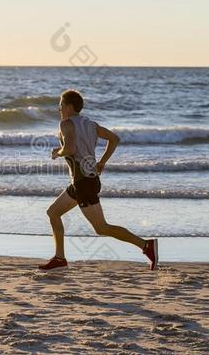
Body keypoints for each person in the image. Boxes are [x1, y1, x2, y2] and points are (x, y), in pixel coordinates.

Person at [38, 89, 158, 271]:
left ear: (69, 107)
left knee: (101, 228)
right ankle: (59, 258)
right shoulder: (90, 124)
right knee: (53, 212)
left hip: (83, 183)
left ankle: (146, 246)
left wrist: (57, 152)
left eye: (60, 105)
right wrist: (102, 162)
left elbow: (69, 149)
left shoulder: (66, 123)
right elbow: (114, 139)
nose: (59, 109)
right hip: (83, 182)